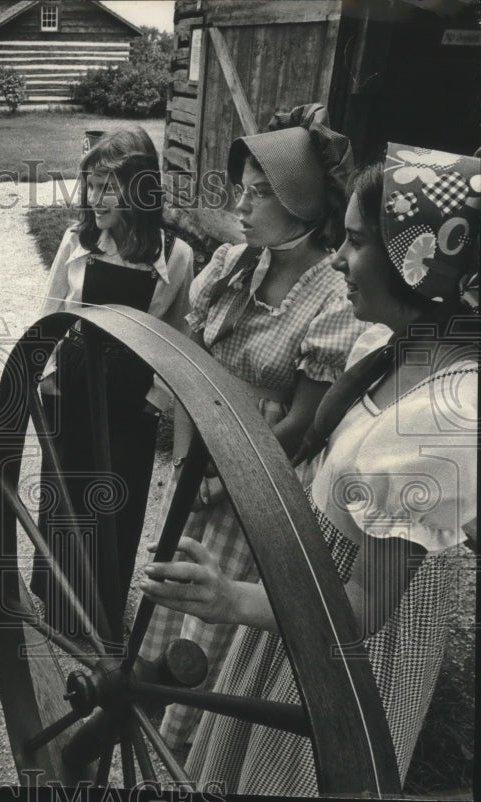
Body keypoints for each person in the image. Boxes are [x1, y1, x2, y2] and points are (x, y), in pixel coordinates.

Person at [139, 143, 479, 795]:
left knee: (288, 776)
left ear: (419, 262)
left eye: (356, 243)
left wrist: (228, 597)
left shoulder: (441, 417)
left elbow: (364, 608)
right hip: (302, 595)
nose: (340, 259)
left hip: (341, 648)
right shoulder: (389, 340)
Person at [138, 104, 369, 749]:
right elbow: (190, 370)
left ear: (302, 204)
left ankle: (194, 739)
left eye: (262, 193)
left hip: (262, 476)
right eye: (242, 189)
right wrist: (191, 464)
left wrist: (228, 480)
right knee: (177, 586)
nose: (242, 205)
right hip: (202, 457)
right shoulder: (232, 266)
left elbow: (303, 421)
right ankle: (152, 691)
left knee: (220, 612)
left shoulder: (331, 297)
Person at [32, 127, 195, 638]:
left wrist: (154, 400)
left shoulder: (177, 256)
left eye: (108, 186)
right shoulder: (76, 242)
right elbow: (50, 314)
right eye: (90, 184)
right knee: (65, 494)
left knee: (115, 504)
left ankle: (102, 609)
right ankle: (57, 601)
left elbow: (176, 339)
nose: (94, 198)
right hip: (74, 384)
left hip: (129, 399)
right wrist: (45, 380)